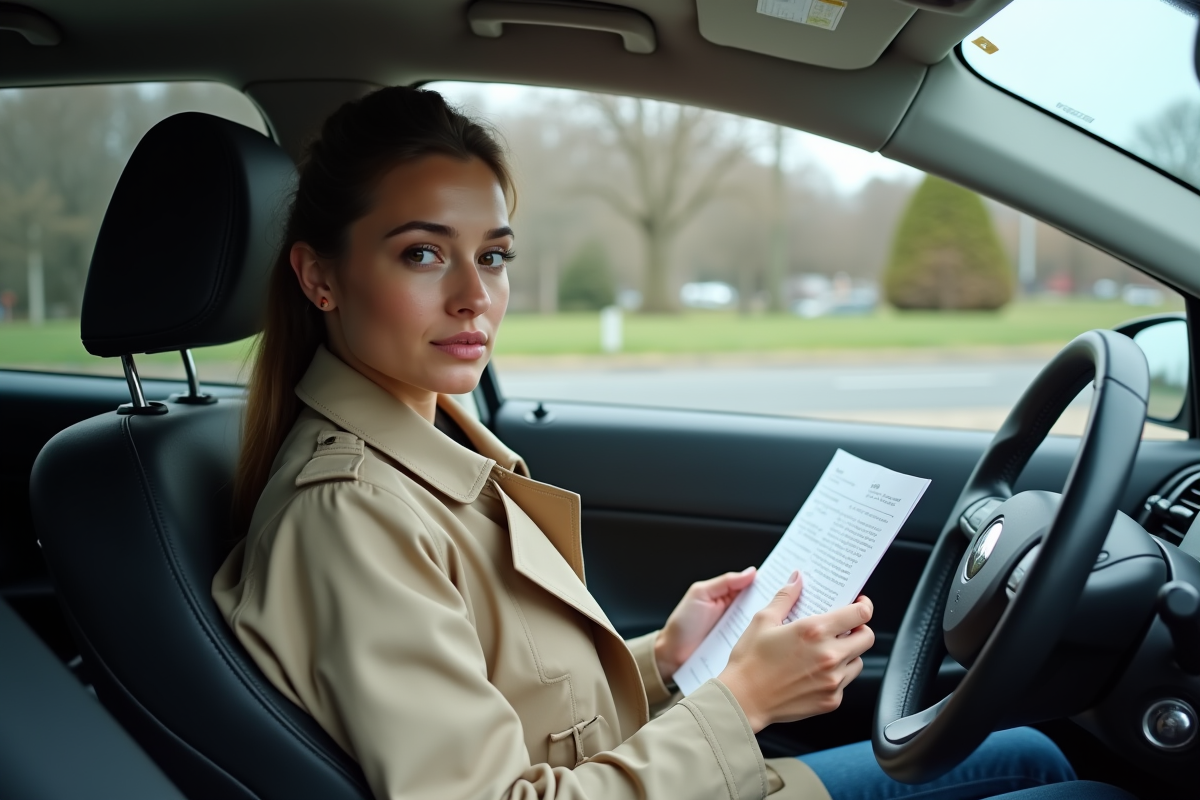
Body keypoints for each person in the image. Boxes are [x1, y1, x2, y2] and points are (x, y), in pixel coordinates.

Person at [212, 86, 1128, 800]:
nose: (473, 296)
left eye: (492, 255)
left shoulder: (429, 444)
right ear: (318, 277)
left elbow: (525, 713)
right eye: (421, 252)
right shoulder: (350, 513)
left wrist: (665, 659)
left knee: (1030, 752)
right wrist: (746, 701)